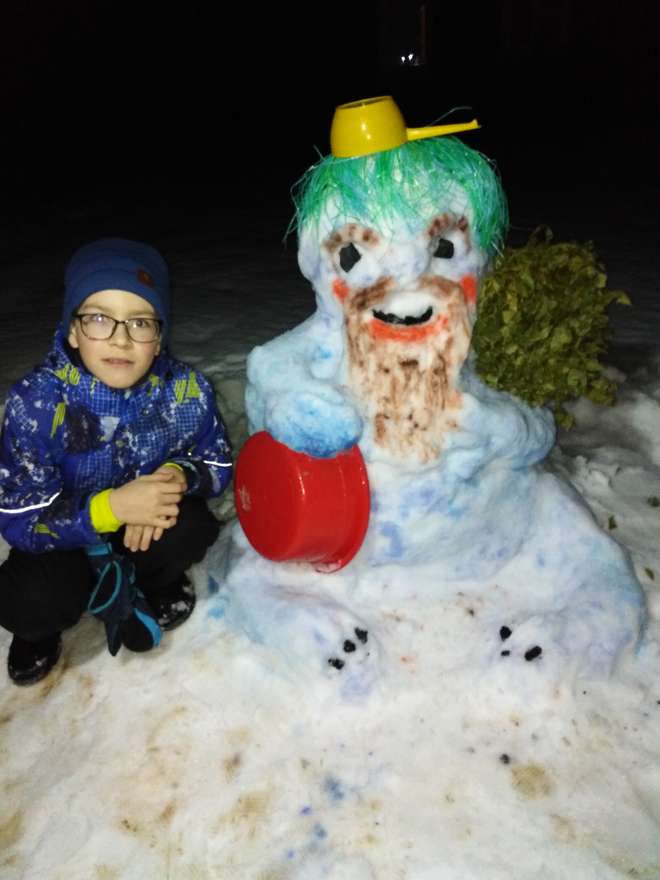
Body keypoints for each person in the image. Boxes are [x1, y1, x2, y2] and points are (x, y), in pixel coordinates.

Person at [0, 237, 233, 685]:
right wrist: (110, 508)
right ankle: (39, 630)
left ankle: (152, 581)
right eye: (100, 319)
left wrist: (174, 477)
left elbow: (217, 464)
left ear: (159, 336)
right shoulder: (36, 403)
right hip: (62, 545)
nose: (121, 339)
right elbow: (19, 518)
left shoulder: (185, 390)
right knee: (29, 597)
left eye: (140, 322)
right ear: (72, 330)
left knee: (192, 525)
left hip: (139, 533)